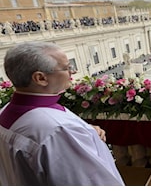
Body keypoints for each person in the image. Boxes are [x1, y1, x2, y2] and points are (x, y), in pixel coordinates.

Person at [0, 41, 125, 185]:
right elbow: (87, 183)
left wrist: (87, 132)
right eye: (67, 68)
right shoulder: (58, 130)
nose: (73, 71)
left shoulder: (5, 112)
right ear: (40, 78)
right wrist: (75, 133)